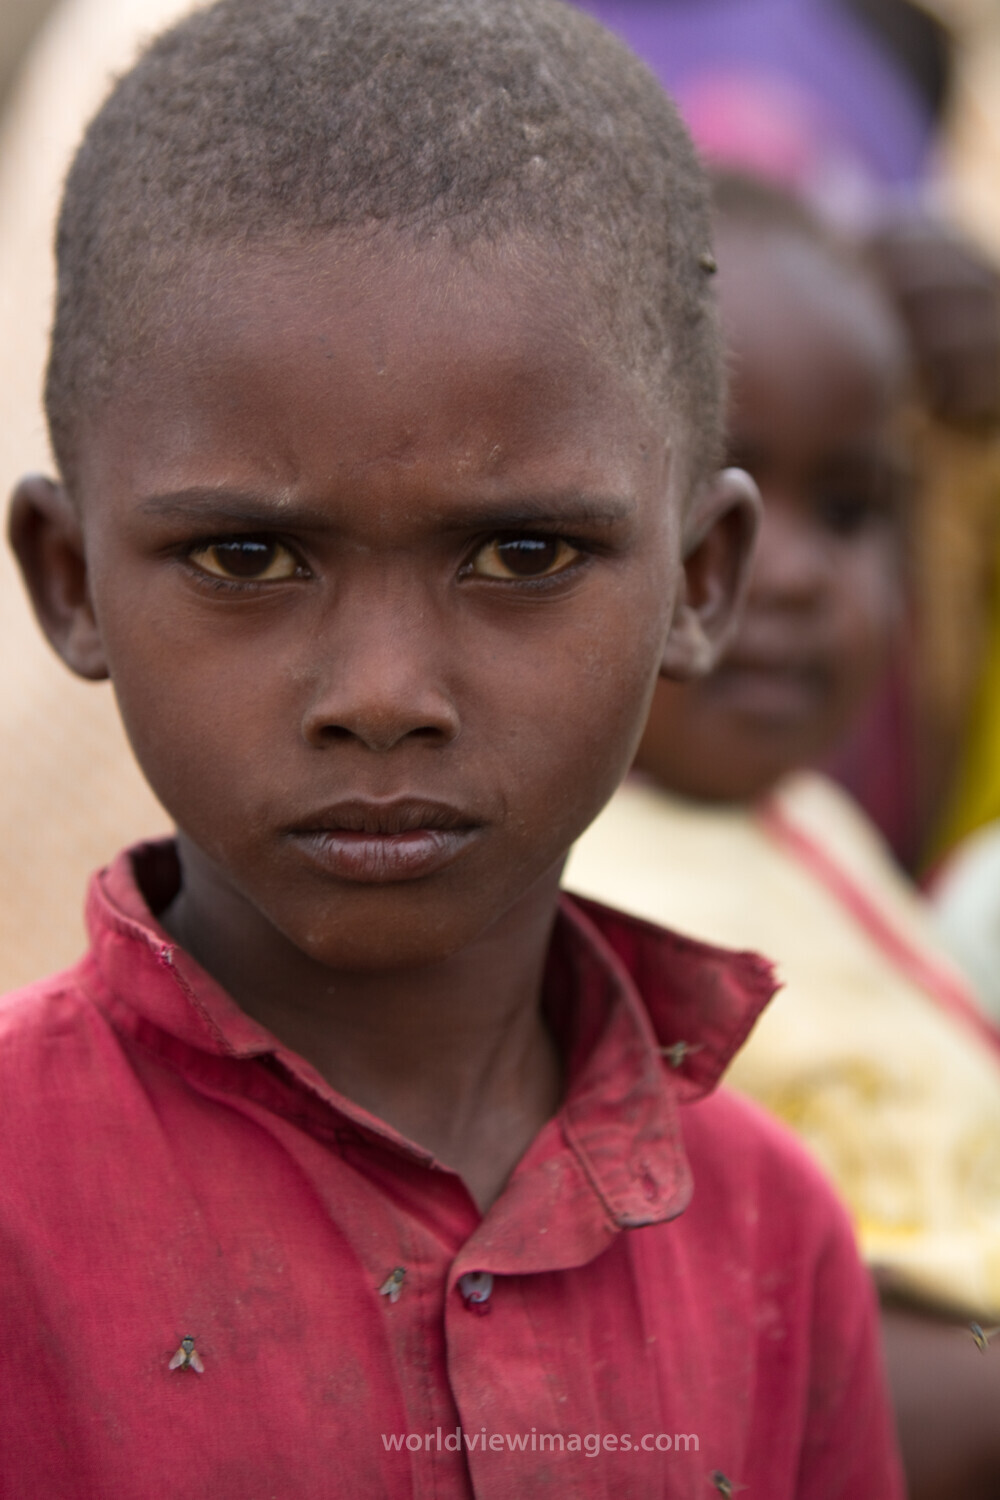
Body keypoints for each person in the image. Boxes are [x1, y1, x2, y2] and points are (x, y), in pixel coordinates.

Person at [0, 3, 903, 1495]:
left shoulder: (774, 1241)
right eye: (245, 557)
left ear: (702, 581)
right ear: (70, 578)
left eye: (523, 551)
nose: (383, 692)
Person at [566, 172, 1000, 1500]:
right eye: (716, 510)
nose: (800, 573)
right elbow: (729, 1375)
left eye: (856, 510)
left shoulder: (798, 816)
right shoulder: (568, 899)